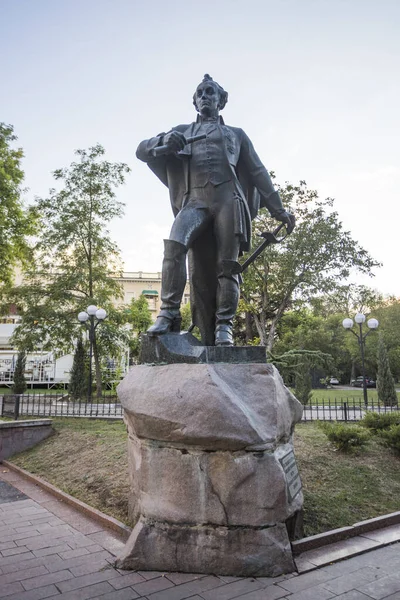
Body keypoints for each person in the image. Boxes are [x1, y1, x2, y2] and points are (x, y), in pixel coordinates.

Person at [136, 74, 295, 347]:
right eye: (200, 93)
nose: (205, 96)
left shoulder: (237, 134)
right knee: (174, 244)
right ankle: (169, 313)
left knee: (228, 266)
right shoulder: (182, 131)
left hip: (228, 201)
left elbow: (258, 172)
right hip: (194, 202)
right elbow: (141, 150)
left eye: (211, 92)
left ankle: (224, 326)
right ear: (195, 101)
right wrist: (163, 143)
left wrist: (279, 210)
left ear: (221, 101)